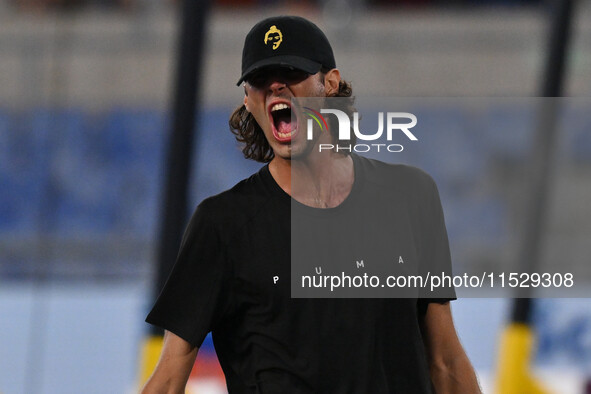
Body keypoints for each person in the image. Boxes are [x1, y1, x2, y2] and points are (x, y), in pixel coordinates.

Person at [141, 15, 481, 394]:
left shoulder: (411, 196)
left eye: (290, 72)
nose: (275, 88)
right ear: (248, 101)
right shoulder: (222, 225)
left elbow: (445, 360)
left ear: (330, 84)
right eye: (259, 80)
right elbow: (168, 379)